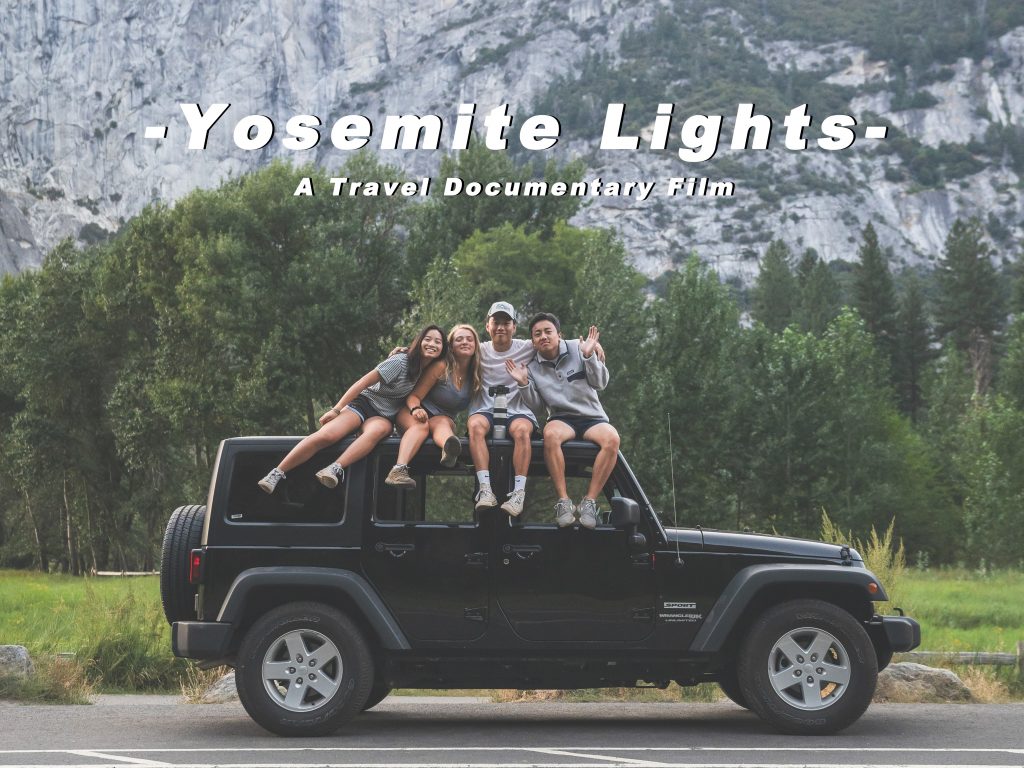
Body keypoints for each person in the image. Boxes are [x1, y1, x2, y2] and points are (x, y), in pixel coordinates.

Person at [257, 326, 447, 493]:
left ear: (442, 349)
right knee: (327, 436)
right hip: (364, 403)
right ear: (419, 341)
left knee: (378, 431)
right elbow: (363, 382)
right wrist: (337, 409)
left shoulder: (430, 370)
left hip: (384, 416)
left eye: (438, 342)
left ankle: (334, 468)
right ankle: (277, 472)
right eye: (427, 339)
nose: (432, 344)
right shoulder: (401, 361)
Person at [506, 313, 620, 529]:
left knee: (612, 439)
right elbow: (539, 407)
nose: (543, 337)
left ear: (559, 334)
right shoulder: (532, 366)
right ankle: (563, 501)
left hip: (592, 417)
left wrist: (589, 357)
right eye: (537, 334)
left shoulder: (581, 348)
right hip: (561, 418)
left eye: (548, 332)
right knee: (550, 434)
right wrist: (523, 384)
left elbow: (601, 383)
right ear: (533, 341)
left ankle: (589, 501)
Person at [384, 324, 483, 488]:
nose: (465, 342)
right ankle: (398, 470)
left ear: (476, 345)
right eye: (459, 339)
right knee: (422, 426)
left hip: (443, 417)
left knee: (444, 423)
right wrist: (416, 410)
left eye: (469, 339)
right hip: (414, 410)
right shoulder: (441, 366)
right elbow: (414, 396)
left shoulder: (477, 373)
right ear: (450, 345)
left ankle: (450, 448)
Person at [467, 302, 541, 517]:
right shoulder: (478, 350)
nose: (501, 327)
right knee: (474, 426)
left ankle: (518, 493)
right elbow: (444, 349)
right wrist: (405, 351)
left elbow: (554, 340)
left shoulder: (526, 347)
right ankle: (485, 489)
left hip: (518, 410)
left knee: (521, 432)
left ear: (514, 327)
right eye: (496, 322)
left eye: (506, 323)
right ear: (487, 326)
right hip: (486, 409)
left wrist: (588, 349)